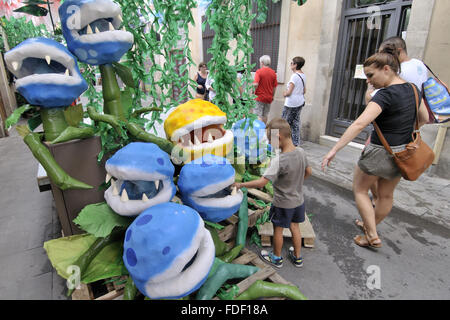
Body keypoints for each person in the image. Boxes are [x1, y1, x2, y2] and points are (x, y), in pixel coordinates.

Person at [322, 49, 429, 248]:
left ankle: (371, 234)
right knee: (386, 195)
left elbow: (359, 124)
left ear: (386, 69)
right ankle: (369, 228)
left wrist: (334, 149)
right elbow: (424, 118)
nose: (368, 81)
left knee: (361, 190)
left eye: (370, 75)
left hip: (380, 151)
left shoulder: (384, 95)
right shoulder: (414, 89)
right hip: (403, 152)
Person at [362, 36, 429, 219]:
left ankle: (371, 228)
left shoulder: (394, 74)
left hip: (384, 135)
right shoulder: (420, 66)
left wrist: (369, 95)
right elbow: (424, 115)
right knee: (387, 193)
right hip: (404, 140)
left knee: (361, 182)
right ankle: (372, 225)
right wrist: (411, 129)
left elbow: (373, 103)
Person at [233, 118, 312, 268]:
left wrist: (240, 184)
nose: (269, 143)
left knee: (278, 229)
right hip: (298, 201)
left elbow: (262, 182)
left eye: (270, 139)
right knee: (295, 227)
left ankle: (276, 257)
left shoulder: (279, 160)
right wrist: (295, 183)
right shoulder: (301, 152)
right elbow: (309, 172)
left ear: (279, 137)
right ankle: (297, 257)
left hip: (283, 203)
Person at [282, 56, 306, 146]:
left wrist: (284, 93)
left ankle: (276, 143)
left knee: (282, 123)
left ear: (295, 65)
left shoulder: (294, 76)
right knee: (295, 123)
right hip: (300, 102)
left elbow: (289, 92)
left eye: (291, 63)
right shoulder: (303, 75)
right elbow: (304, 91)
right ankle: (295, 143)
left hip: (291, 103)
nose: (290, 65)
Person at [252, 55, 278, 124]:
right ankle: (263, 131)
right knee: (265, 115)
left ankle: (259, 132)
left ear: (262, 63)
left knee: (258, 115)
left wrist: (253, 92)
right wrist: (272, 96)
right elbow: (274, 87)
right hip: (268, 97)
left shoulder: (259, 72)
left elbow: (255, 84)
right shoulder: (273, 73)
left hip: (259, 97)